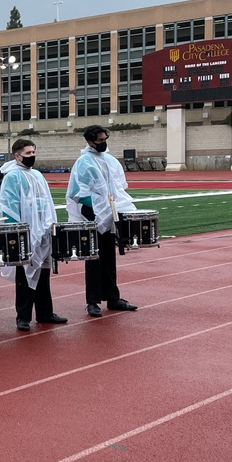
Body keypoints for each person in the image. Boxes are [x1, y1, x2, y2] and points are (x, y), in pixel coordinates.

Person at [66, 126, 139, 318]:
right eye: (99, 140)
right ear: (90, 142)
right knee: (94, 257)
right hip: (92, 213)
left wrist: (115, 208)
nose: (103, 142)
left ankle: (112, 298)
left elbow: (118, 186)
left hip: (109, 211)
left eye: (105, 139)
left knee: (109, 256)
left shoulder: (109, 160)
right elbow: (77, 193)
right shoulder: (83, 162)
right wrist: (97, 208)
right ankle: (93, 301)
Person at [0, 138, 67, 331]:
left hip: (42, 230)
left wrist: (49, 223)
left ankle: (45, 312)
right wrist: (18, 230)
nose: (32, 156)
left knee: (44, 273)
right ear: (17, 155)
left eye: (33, 152)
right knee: (25, 275)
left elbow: (46, 200)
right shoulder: (12, 176)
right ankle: (23, 316)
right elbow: (8, 205)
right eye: (28, 153)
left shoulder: (37, 175)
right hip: (26, 232)